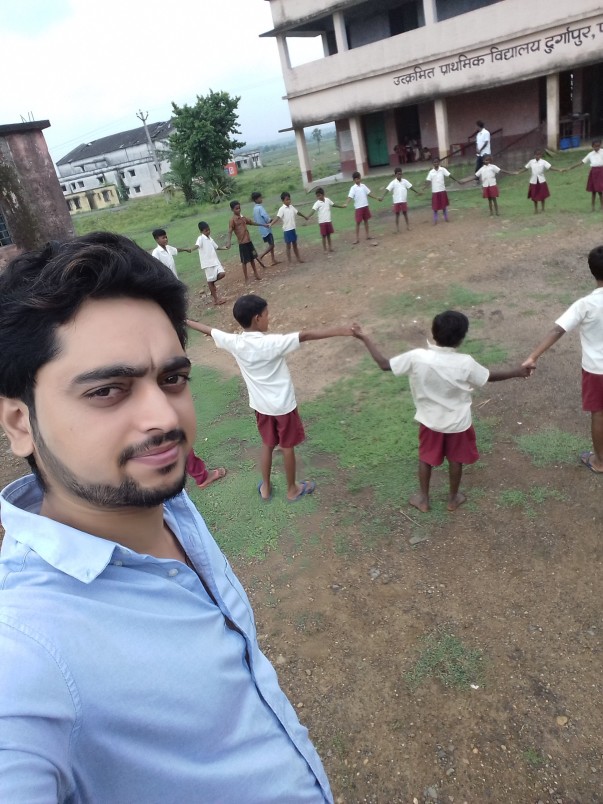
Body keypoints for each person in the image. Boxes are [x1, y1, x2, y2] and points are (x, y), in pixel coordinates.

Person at [0, 233, 333, 803]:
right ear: (18, 423)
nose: (165, 417)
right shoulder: (28, 650)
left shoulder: (164, 504)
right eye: (108, 390)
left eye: (172, 379)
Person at [352, 312, 529, 512]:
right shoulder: (465, 362)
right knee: (456, 459)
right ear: (461, 338)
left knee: (426, 458)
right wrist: (517, 372)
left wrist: (365, 338)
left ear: (434, 333)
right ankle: (453, 499)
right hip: (458, 423)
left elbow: (384, 364)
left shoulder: (417, 357)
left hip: (430, 422)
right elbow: (488, 377)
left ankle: (423, 499)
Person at [187, 295, 353, 502]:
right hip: (283, 407)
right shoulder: (272, 343)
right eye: (266, 315)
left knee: (267, 444)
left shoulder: (235, 342)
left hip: (261, 407)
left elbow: (209, 330)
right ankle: (292, 489)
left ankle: (265, 487)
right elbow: (306, 335)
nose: (269, 318)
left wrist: (185, 320)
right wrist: (343, 330)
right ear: (257, 318)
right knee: (287, 447)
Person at [523, 245, 603, 474]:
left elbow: (558, 330)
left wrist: (533, 356)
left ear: (592, 271)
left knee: (599, 413)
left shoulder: (585, 304)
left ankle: (600, 461)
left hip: (597, 370)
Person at [226, 199, 265, 282]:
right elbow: (230, 231)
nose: (238, 210)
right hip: (242, 243)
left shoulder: (243, 217)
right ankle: (246, 278)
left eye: (239, 208)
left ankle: (256, 274)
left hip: (249, 241)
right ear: (232, 210)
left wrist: (263, 225)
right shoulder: (232, 220)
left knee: (252, 258)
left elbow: (251, 222)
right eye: (236, 208)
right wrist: (228, 242)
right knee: (244, 261)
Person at [191, 220, 227, 306]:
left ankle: (211, 283)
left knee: (222, 274)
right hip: (208, 263)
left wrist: (225, 248)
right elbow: (197, 245)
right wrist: (191, 249)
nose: (208, 232)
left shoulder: (210, 238)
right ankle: (216, 300)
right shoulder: (200, 238)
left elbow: (216, 247)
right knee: (210, 280)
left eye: (209, 230)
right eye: (206, 230)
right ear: (201, 231)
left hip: (215, 261)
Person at [516, 149, 561, 214]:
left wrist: (559, 169)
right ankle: (536, 209)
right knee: (534, 196)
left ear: (540, 155)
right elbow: (526, 168)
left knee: (542, 195)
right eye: (536, 155)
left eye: (539, 155)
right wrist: (518, 172)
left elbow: (550, 167)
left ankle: (543, 208)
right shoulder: (531, 162)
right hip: (533, 181)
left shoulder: (543, 162)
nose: (537, 156)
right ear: (534, 155)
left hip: (541, 181)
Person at [270, 191, 308, 264]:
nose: (289, 201)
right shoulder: (282, 209)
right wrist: (271, 224)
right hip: (287, 230)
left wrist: (304, 216)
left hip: (293, 228)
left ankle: (298, 258)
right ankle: (289, 261)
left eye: (289, 199)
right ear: (283, 200)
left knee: (295, 244)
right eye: (287, 199)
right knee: (288, 246)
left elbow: (297, 212)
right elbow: (277, 217)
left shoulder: (291, 207)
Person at [343, 171, 380, 244]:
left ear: (360, 178)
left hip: (365, 206)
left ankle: (367, 235)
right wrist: (346, 203)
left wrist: (376, 198)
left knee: (366, 221)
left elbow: (369, 193)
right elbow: (350, 197)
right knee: (358, 222)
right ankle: (357, 238)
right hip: (358, 208)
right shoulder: (353, 188)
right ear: (354, 180)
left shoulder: (363, 186)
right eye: (356, 179)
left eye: (358, 179)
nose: (358, 180)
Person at [565, 139, 603, 211]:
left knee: (600, 190)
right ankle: (593, 207)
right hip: (593, 172)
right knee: (593, 191)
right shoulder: (590, 154)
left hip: (601, 172)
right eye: (595, 146)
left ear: (600, 145)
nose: (597, 148)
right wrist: (570, 167)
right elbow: (582, 162)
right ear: (592, 146)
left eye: (598, 146)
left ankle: (601, 206)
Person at [306, 187, 344, 252]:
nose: (318, 197)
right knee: (324, 236)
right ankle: (325, 249)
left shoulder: (327, 200)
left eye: (319, 195)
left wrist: (341, 206)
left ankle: (330, 248)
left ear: (323, 194)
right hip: (322, 222)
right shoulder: (317, 203)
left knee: (328, 235)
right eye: (317, 196)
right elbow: (313, 210)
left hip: (328, 221)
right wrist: (308, 216)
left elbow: (333, 205)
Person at [382, 167, 421, 232]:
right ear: (395, 175)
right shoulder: (393, 182)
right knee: (397, 214)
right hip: (396, 201)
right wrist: (382, 196)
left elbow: (410, 187)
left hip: (403, 200)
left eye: (400, 174)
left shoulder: (405, 181)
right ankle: (397, 228)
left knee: (405, 213)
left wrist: (417, 192)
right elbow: (387, 189)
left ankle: (408, 226)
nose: (399, 175)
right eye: (398, 174)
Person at [425, 158, 458, 224]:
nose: (436, 163)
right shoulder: (431, 172)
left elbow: (449, 175)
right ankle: (435, 219)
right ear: (432, 163)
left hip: (442, 190)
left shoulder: (442, 170)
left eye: (437, 162)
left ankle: (446, 218)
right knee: (435, 207)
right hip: (435, 191)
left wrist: (457, 180)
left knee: (444, 206)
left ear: (439, 162)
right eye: (434, 162)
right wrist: (424, 188)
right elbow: (428, 181)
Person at [251, 191, 280, 265]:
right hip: (266, 229)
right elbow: (266, 217)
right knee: (272, 245)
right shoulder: (260, 208)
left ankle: (273, 259)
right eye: (260, 198)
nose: (261, 199)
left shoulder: (254, 209)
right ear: (256, 199)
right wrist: (272, 220)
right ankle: (261, 256)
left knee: (271, 244)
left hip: (262, 230)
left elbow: (255, 219)